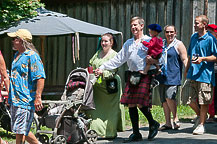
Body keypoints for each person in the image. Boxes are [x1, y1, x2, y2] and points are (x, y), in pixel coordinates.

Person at [95, 16, 160, 142]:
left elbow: (161, 58)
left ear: (142, 26)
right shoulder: (128, 43)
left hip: (145, 74)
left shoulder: (150, 40)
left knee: (141, 103)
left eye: (136, 25)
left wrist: (154, 60)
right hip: (132, 75)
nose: (133, 28)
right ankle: (136, 133)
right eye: (131, 26)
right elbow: (118, 59)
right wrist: (103, 67)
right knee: (131, 103)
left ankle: (153, 123)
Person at [7, 29, 46, 144]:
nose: (13, 41)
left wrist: (38, 97)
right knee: (21, 130)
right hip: (15, 100)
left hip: (25, 100)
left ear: (22, 41)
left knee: (20, 133)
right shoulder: (17, 56)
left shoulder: (32, 56)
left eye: (15, 39)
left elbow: (40, 77)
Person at [85, 33, 125, 138]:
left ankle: (110, 133)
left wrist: (104, 73)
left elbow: (114, 70)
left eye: (106, 41)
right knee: (95, 110)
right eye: (102, 41)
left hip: (110, 86)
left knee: (110, 111)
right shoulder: (98, 53)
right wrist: (90, 71)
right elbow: (91, 65)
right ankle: (96, 132)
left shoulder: (114, 55)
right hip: (97, 86)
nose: (103, 43)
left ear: (111, 42)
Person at [184, 15, 217, 135]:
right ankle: (201, 115)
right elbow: (189, 55)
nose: (194, 25)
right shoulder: (193, 37)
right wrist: (186, 70)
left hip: (205, 75)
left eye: (197, 23)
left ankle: (202, 124)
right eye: (195, 23)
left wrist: (202, 59)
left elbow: (215, 57)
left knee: (204, 101)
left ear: (204, 24)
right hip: (192, 73)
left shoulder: (210, 39)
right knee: (188, 99)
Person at [157, 25, 188, 130]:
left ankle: (175, 118)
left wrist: (187, 71)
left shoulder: (178, 44)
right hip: (161, 75)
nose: (169, 34)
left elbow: (184, 59)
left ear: (175, 33)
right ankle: (167, 123)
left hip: (173, 75)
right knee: (164, 100)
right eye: (167, 32)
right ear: (164, 33)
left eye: (171, 32)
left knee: (170, 96)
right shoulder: (162, 44)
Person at [206, 24, 217, 122]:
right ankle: (211, 115)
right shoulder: (207, 41)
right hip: (209, 71)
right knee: (210, 94)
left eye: (211, 32)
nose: (209, 34)